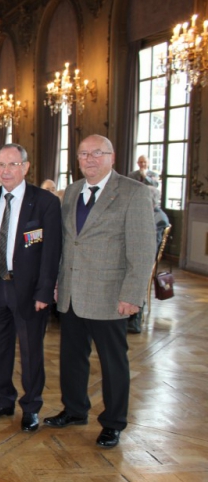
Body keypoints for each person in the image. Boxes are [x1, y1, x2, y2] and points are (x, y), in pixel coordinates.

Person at [44, 134, 156, 448]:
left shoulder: (133, 192)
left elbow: (142, 249)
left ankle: (114, 422)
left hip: (110, 294)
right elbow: (68, 243)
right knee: (71, 358)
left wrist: (133, 294)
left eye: (97, 153)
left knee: (113, 362)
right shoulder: (72, 192)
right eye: (83, 154)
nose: (90, 159)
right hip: (71, 292)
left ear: (112, 156)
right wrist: (55, 282)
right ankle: (75, 409)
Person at [0, 144, 62, 432]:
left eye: (11, 164)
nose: (5, 170)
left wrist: (45, 291)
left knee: (31, 352)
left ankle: (31, 406)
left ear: (25, 166)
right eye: (0, 165)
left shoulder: (44, 202)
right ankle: (3, 401)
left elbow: (51, 252)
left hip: (29, 292)